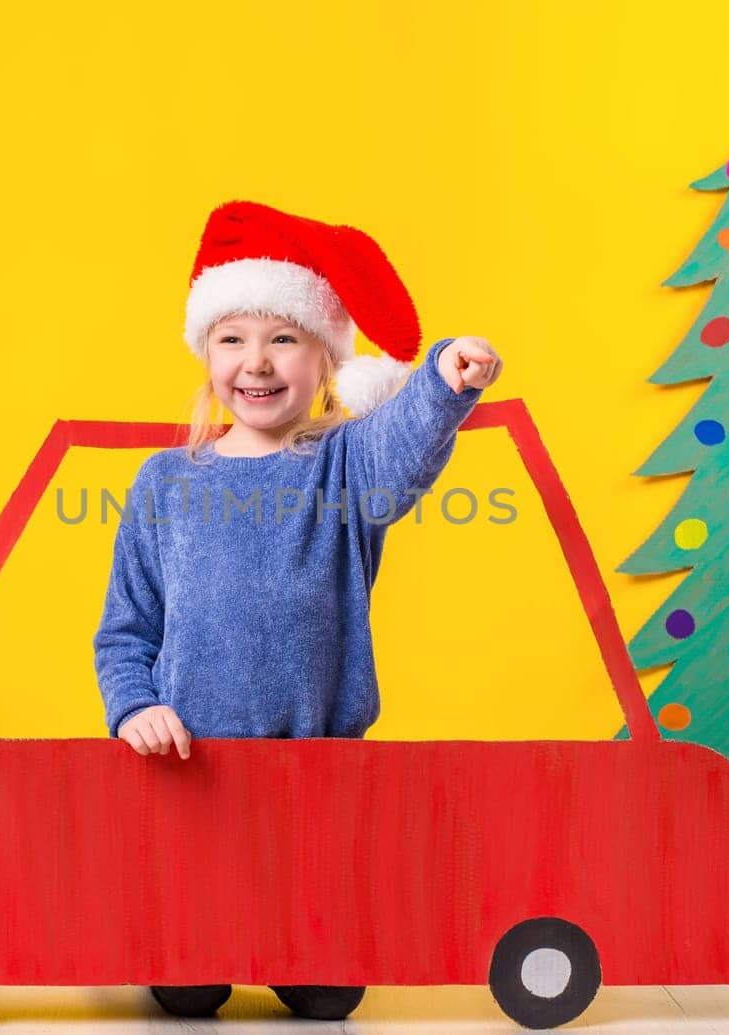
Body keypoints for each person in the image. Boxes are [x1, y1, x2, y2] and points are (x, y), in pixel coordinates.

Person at [93, 200, 503, 1021]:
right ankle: (198, 947)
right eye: (233, 338)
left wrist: (444, 379)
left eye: (283, 338)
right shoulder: (163, 486)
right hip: (192, 774)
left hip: (317, 769)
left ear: (325, 361)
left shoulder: (346, 466)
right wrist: (134, 707)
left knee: (325, 993)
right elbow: (125, 631)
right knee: (185, 990)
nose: (258, 361)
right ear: (206, 353)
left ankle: (297, 947)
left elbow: (405, 446)